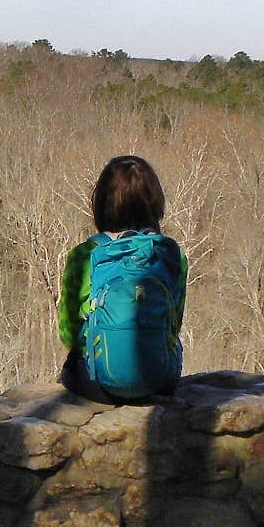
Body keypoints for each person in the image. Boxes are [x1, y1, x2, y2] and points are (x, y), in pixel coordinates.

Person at [58, 154, 187, 402]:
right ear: (155, 203)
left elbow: (68, 332)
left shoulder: (85, 255)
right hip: (160, 381)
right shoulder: (170, 254)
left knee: (72, 365)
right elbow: (174, 324)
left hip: (99, 386)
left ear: (101, 202)